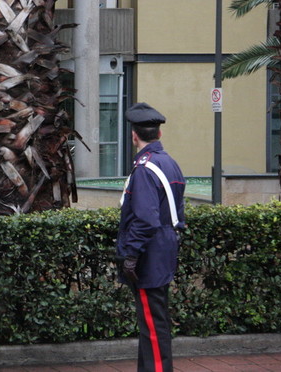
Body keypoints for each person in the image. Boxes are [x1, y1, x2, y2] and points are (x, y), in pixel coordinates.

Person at [116, 102, 185, 372]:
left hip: (148, 253)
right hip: (163, 248)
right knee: (153, 321)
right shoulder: (169, 163)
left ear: (134, 136)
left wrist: (131, 255)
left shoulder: (145, 167)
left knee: (153, 326)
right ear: (159, 134)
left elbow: (145, 219)